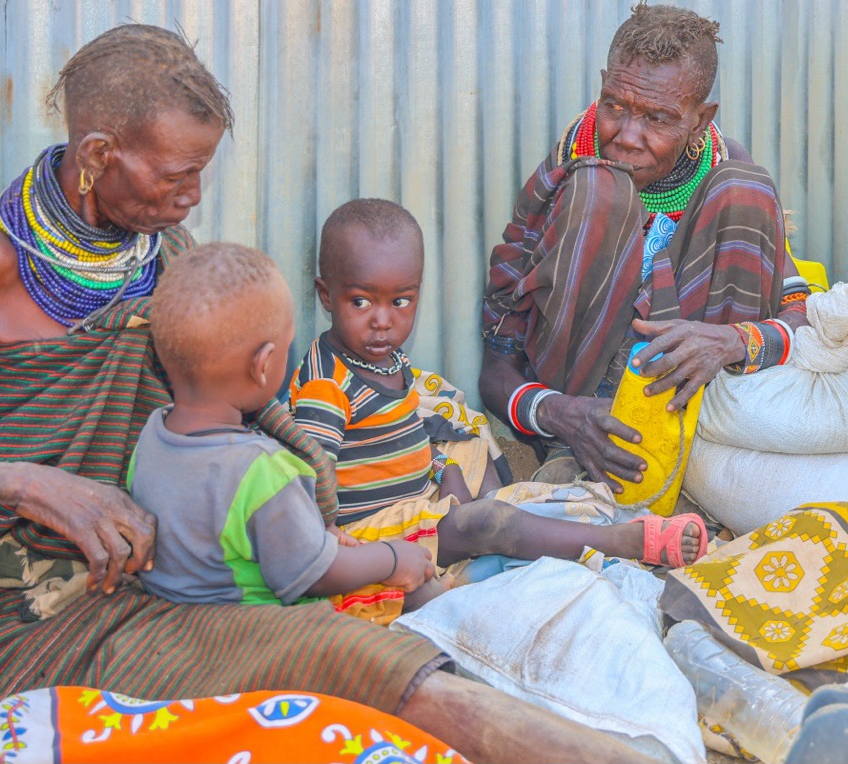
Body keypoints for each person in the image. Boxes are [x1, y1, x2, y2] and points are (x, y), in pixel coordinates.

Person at [0, 24, 650, 763]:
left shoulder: (162, 260)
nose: (192, 199)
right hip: (18, 619)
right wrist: (30, 485)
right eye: (176, 176)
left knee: (364, 659)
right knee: (333, 664)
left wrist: (319, 529)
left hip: (153, 585)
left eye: (203, 173)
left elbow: (232, 416)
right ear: (100, 156)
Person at [290, 200, 708, 623]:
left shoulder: (384, 360)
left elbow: (394, 436)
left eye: (401, 301)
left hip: (417, 505)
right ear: (326, 295)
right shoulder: (326, 389)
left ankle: (491, 555)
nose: (383, 321)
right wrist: (354, 555)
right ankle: (622, 542)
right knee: (488, 521)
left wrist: (437, 468)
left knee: (472, 459)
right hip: (373, 538)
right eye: (361, 303)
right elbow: (310, 488)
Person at [480, 0, 809, 487]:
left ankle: (697, 452)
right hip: (576, 411)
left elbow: (798, 314)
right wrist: (560, 414)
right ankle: (576, 453)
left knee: (746, 186)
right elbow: (497, 363)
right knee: (600, 190)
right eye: (614, 105)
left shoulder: (727, 172)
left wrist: (731, 342)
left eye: (657, 118)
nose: (627, 137)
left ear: (699, 120)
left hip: (694, 410)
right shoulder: (571, 167)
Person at [131, 242, 444, 611]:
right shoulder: (265, 471)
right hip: (251, 622)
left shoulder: (153, 433)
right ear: (263, 366)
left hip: (176, 608)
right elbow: (316, 574)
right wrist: (392, 558)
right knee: (426, 594)